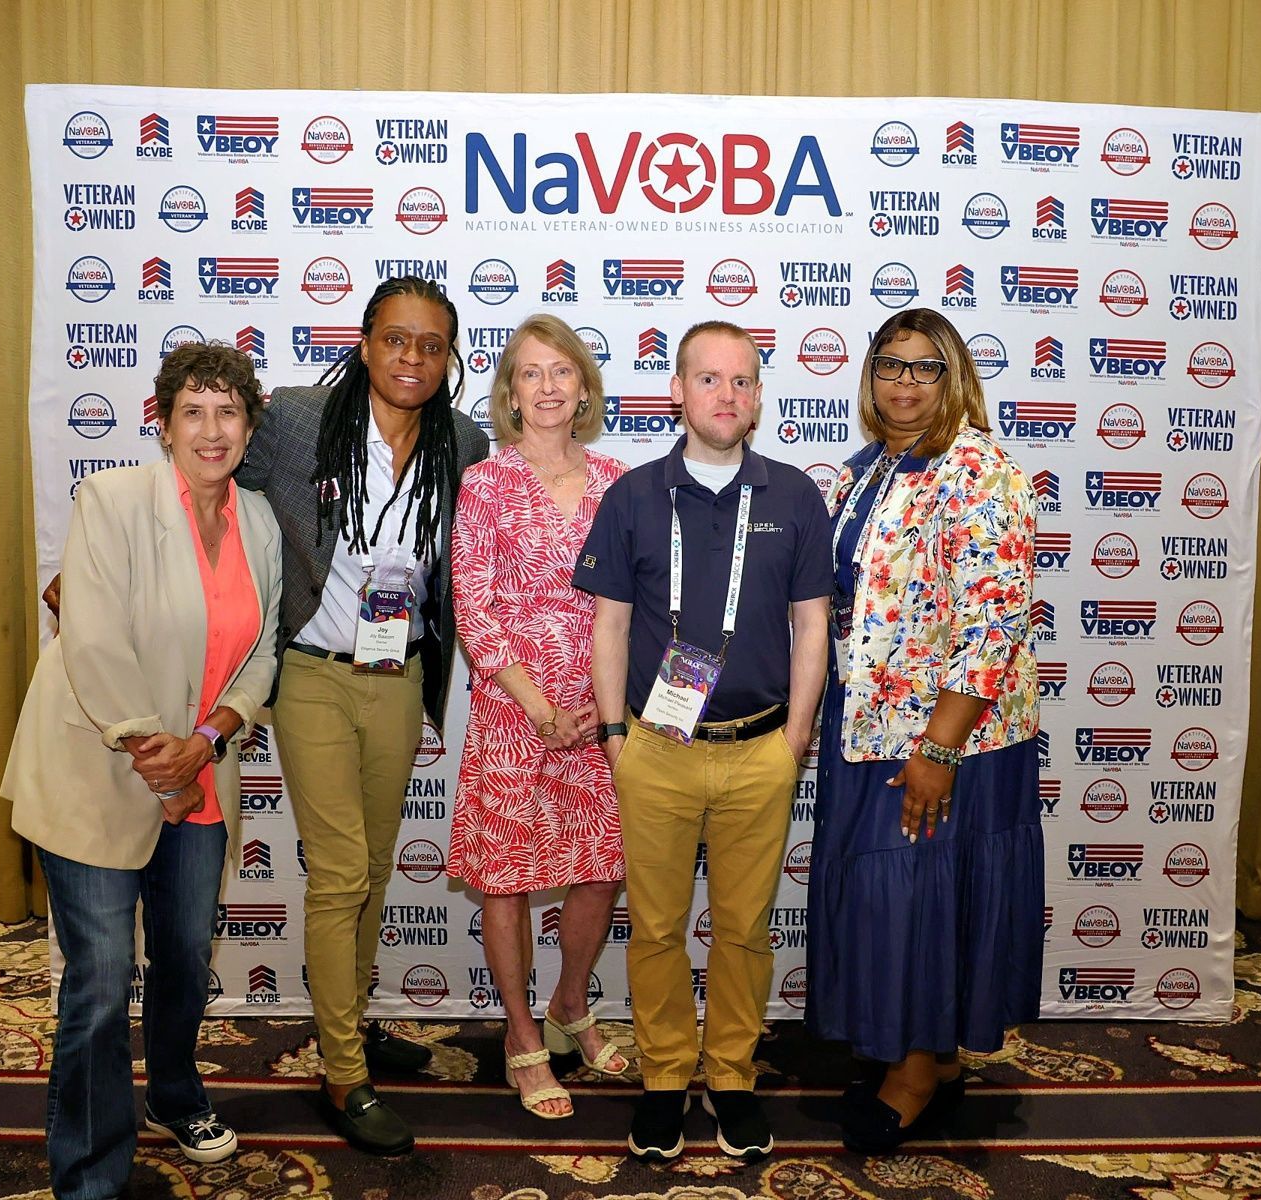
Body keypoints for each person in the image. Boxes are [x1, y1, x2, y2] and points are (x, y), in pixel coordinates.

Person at [3, 342, 282, 1199]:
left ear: (249, 429)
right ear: (162, 424)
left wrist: (210, 737)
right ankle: (90, 1173)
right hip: (100, 768)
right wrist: (160, 761)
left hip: (200, 771)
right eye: (192, 411)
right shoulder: (113, 499)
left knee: (186, 956)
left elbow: (263, 652)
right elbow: (91, 641)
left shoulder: (260, 521)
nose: (211, 430)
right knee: (96, 982)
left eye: (228, 412)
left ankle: (173, 1093)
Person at [236, 275, 489, 1155]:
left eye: (431, 345)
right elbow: (216, 492)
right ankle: (343, 1072)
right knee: (341, 872)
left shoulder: (463, 440)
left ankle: (351, 1021)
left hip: (401, 675)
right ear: (365, 343)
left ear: (448, 358)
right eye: (396, 339)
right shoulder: (298, 419)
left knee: (375, 869)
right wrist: (116, 560)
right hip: (312, 672)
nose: (412, 357)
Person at [573, 320, 833, 1162]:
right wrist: (616, 735)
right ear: (677, 392)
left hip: (761, 751)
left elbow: (812, 625)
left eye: (743, 380)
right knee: (655, 929)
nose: (727, 395)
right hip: (656, 749)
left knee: (745, 930)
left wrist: (795, 738)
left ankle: (731, 1078)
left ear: (758, 396)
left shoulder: (793, 496)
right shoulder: (633, 496)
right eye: (710, 379)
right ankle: (662, 1080)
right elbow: (610, 625)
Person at [805, 308, 1041, 1153]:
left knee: (920, 902)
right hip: (868, 725)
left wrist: (939, 748)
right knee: (893, 902)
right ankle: (922, 1053)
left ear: (955, 378)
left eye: (924, 367)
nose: (904, 382)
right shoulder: (864, 469)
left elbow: (995, 620)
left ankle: (916, 1075)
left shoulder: (979, 470)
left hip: (948, 740)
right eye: (889, 365)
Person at [448, 315, 631, 1119]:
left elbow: (640, 601)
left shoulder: (620, 482)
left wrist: (600, 707)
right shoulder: (484, 484)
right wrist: (538, 705)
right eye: (531, 372)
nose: (549, 386)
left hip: (599, 712)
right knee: (508, 876)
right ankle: (522, 1035)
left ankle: (569, 1005)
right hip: (513, 711)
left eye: (562, 371)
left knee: (602, 866)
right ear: (511, 393)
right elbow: (473, 606)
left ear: (584, 388)